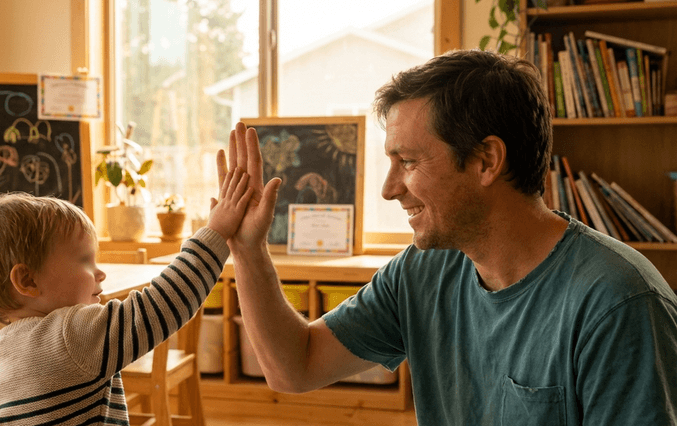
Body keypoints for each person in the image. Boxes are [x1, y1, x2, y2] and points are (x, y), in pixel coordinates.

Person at [218, 49, 677, 425]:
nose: (389, 188)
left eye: (409, 162)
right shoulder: (423, 271)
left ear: (485, 161)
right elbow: (293, 366)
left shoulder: (620, 302)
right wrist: (248, 249)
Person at [0, 167, 252, 425]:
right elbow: (165, 302)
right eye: (85, 261)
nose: (100, 274)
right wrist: (217, 231)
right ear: (28, 280)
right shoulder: (70, 335)